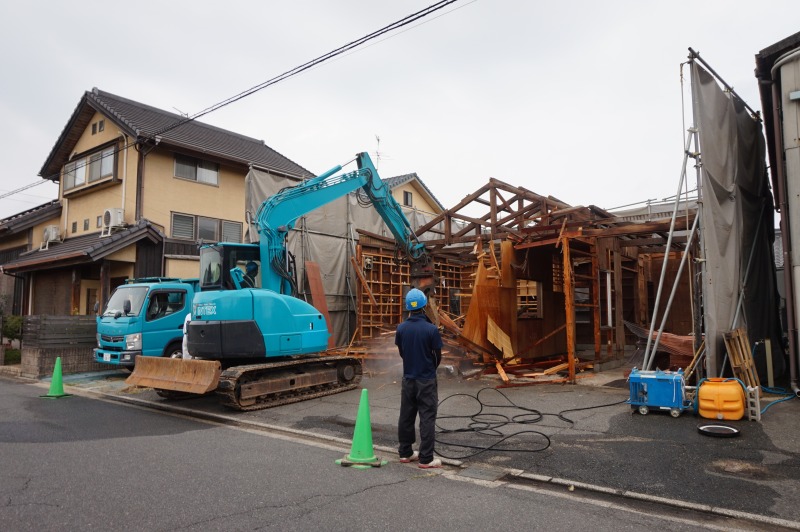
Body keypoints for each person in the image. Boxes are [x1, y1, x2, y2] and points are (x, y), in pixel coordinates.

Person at [395, 287, 443, 469]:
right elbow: (438, 356)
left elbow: (402, 353)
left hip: (408, 379)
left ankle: (405, 452)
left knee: (406, 416)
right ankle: (426, 458)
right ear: (424, 307)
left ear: (408, 308)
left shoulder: (401, 328)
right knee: (427, 417)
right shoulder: (431, 330)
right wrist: (429, 368)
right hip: (426, 380)